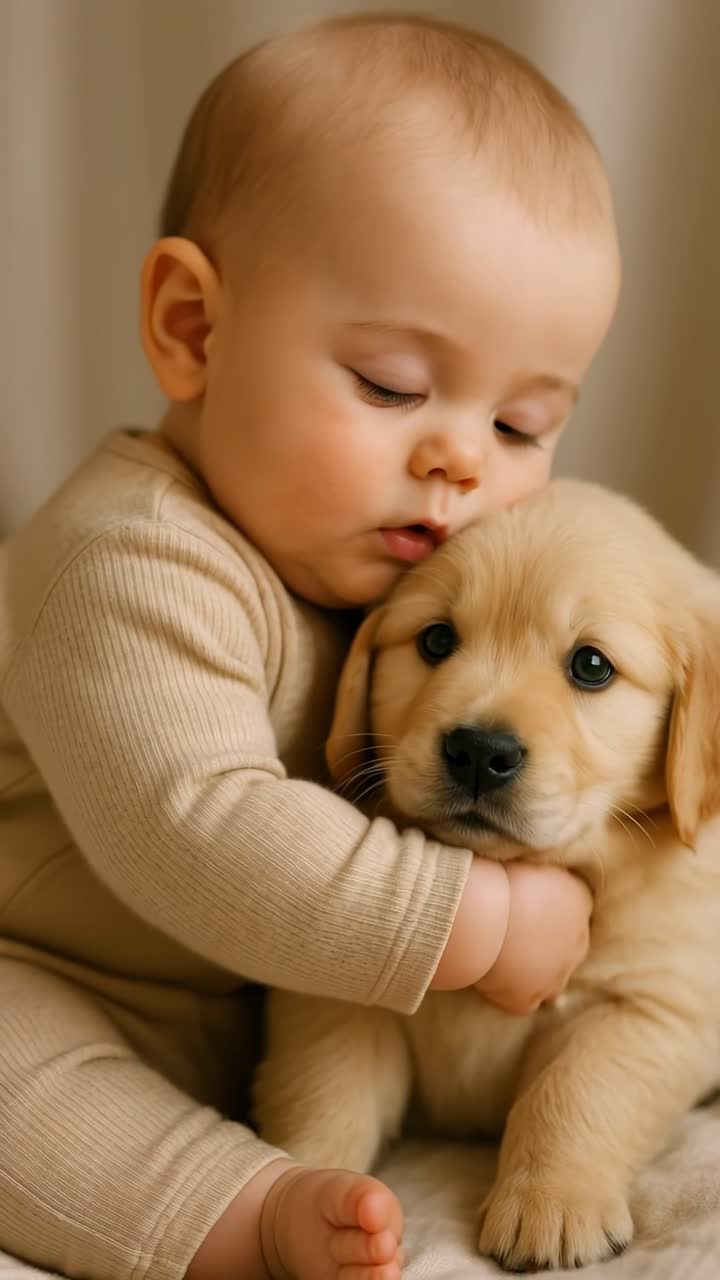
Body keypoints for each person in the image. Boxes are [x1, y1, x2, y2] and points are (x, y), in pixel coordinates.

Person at [0, 13, 620, 1280]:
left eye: (518, 422)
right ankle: (236, 1216)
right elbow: (199, 828)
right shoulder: (127, 560)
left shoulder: (385, 565)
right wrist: (479, 920)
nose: (461, 458)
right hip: (46, 970)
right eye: (392, 384)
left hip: (238, 1006)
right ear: (193, 328)